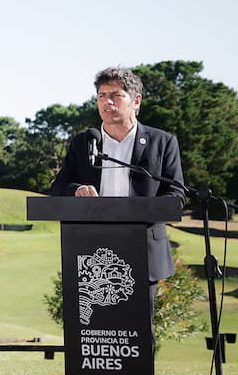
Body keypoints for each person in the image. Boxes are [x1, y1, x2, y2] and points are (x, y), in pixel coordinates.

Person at [50, 67, 185, 320]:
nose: (107, 102)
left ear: (136, 101)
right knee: (94, 333)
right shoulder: (84, 142)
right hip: (90, 254)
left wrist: (143, 209)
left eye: (115, 95)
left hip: (142, 252)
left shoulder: (163, 142)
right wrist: (76, 190)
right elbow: (58, 188)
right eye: (101, 95)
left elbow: (176, 195)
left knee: (140, 335)